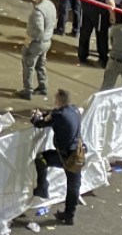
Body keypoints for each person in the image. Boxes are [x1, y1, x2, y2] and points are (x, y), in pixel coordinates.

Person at [31, 89, 83, 226]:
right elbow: (53, 114)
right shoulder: (74, 110)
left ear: (59, 101)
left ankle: (42, 187)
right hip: (78, 153)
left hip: (66, 156)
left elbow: (39, 124)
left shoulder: (58, 115)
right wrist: (46, 114)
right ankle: (69, 215)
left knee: (41, 159)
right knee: (74, 185)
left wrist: (36, 117)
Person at [21, 0, 57, 99]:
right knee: (40, 65)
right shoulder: (51, 4)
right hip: (47, 41)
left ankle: (28, 91)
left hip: (37, 43)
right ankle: (43, 87)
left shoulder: (38, 10)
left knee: (28, 65)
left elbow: (38, 29)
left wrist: (28, 40)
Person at [77, 0, 112, 67]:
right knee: (101, 36)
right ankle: (103, 59)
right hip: (100, 14)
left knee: (85, 33)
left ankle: (82, 55)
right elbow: (110, 2)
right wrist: (113, 15)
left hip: (86, 11)